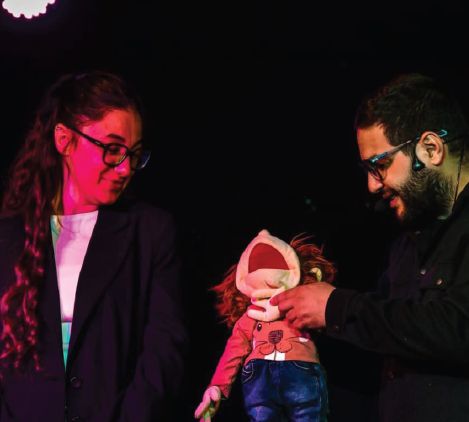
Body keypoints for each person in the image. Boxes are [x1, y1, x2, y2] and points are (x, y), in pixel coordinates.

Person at [271, 73, 469, 421]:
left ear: (431, 149)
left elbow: (457, 327)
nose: (372, 185)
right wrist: (301, 320)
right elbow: (384, 335)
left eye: (380, 165)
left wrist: (336, 308)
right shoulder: (406, 243)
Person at [0, 71, 186, 421]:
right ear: (65, 140)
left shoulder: (149, 231)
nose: (125, 169)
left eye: (134, 154)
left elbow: (164, 348)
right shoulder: (9, 237)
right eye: (113, 150)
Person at [194, 230, 335, 422]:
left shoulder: (299, 303)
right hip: (273, 374)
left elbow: (325, 316)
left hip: (281, 373)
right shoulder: (251, 316)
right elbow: (234, 350)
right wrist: (217, 386)